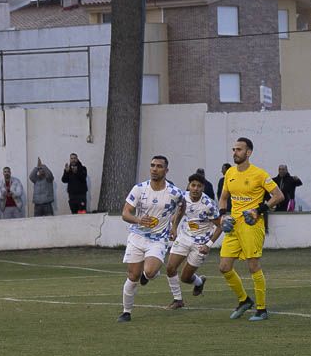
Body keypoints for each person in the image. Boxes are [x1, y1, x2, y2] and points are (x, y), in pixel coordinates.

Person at [219, 137, 283, 322]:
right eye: (233, 149)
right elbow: (223, 198)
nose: (235, 153)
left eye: (239, 149)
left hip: (251, 226)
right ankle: (244, 300)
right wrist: (224, 214)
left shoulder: (259, 174)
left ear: (248, 152)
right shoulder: (230, 173)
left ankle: (262, 309)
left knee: (253, 265)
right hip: (233, 226)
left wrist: (258, 210)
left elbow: (279, 195)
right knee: (224, 267)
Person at [118, 156, 184, 322]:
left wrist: (174, 226)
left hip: (159, 239)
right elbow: (125, 213)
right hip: (137, 236)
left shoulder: (174, 193)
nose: (155, 169)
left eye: (159, 166)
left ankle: (148, 275)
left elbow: (183, 207)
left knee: (150, 271)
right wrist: (139, 220)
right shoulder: (139, 189)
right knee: (133, 276)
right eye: (152, 165)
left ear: (166, 170)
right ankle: (126, 312)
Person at [165, 172, 222, 309]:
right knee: (170, 268)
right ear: (189, 186)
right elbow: (179, 213)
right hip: (184, 238)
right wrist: (174, 228)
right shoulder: (183, 198)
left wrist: (208, 245)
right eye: (193, 185)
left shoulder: (208, 205)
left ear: (203, 188)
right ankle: (178, 300)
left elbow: (220, 226)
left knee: (185, 278)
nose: (195, 188)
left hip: (200, 244)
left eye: (199, 186)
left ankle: (199, 282)